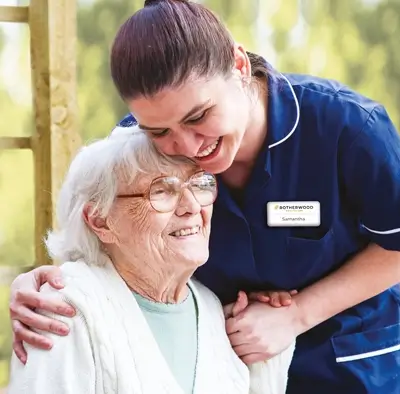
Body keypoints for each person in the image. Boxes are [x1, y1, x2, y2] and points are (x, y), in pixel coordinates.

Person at [8, 0, 400, 392]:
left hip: (358, 369)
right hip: (227, 368)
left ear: (239, 65)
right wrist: (49, 282)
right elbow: (111, 225)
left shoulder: (347, 126)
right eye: (160, 132)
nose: (187, 145)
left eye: (199, 117)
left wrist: (297, 315)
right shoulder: (135, 142)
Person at [7, 128, 296, 394]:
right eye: (161, 191)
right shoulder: (65, 307)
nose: (192, 206)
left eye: (199, 184)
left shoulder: (212, 309)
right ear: (100, 221)